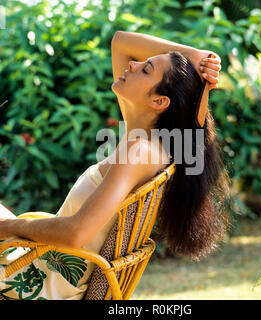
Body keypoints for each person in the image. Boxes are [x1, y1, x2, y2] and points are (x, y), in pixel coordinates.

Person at [0, 30, 228, 300]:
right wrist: (194, 56)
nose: (133, 64)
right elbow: (121, 42)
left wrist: (13, 227)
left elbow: (76, 233)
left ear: (159, 101)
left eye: (146, 70)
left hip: (39, 282)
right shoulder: (143, 135)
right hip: (39, 264)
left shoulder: (140, 151)